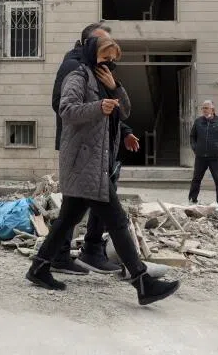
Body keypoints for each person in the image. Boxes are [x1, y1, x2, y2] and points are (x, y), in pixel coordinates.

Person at [27, 36, 180, 306]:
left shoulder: (105, 81)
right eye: (105, 57)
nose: (109, 63)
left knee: (67, 219)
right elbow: (67, 110)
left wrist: (116, 87)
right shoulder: (78, 76)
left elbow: (126, 112)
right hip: (84, 163)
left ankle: (38, 267)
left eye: (113, 59)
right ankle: (142, 282)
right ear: (91, 54)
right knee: (118, 220)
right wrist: (98, 107)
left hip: (97, 163)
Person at [50, 22, 140, 276]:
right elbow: (64, 106)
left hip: (104, 148)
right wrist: (98, 108)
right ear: (90, 44)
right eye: (104, 47)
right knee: (110, 215)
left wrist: (125, 130)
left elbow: (115, 109)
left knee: (73, 211)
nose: (110, 57)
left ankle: (53, 259)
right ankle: (139, 276)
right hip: (84, 149)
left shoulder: (101, 70)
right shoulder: (74, 68)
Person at [188, 100, 218, 209]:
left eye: (206, 108)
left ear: (212, 109)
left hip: (215, 158)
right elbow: (192, 136)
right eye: (203, 108)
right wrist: (195, 148)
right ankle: (192, 200)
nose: (204, 110)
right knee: (196, 179)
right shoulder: (198, 121)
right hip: (200, 157)